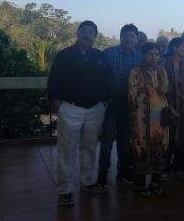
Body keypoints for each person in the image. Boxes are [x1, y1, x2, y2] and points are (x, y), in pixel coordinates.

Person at [47, 20, 110, 206]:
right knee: (67, 150)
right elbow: (53, 81)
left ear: (95, 36)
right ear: (78, 33)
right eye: (84, 31)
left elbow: (108, 80)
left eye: (91, 32)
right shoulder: (64, 55)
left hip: (95, 109)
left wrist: (105, 103)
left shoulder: (100, 56)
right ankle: (65, 190)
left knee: (89, 147)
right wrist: (58, 106)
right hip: (70, 107)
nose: (87, 34)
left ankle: (86, 181)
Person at [87, 24, 142, 192]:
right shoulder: (108, 53)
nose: (129, 39)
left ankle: (122, 173)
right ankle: (102, 177)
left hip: (129, 105)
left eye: (132, 36)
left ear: (136, 39)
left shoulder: (139, 57)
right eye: (126, 35)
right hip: (110, 104)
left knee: (125, 143)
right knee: (107, 141)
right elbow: (96, 76)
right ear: (120, 37)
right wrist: (102, 98)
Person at [128, 42, 170, 197]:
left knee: (160, 145)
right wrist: (152, 92)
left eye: (157, 54)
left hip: (159, 116)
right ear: (143, 55)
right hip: (142, 116)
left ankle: (155, 182)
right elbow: (131, 95)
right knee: (141, 146)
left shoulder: (162, 70)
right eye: (150, 54)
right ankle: (140, 184)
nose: (154, 58)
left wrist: (149, 90)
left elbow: (165, 88)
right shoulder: (135, 71)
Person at [163, 37, 184, 178]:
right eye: (183, 46)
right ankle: (164, 168)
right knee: (167, 137)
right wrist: (169, 106)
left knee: (182, 135)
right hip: (167, 106)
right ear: (174, 48)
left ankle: (177, 166)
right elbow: (161, 88)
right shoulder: (165, 64)